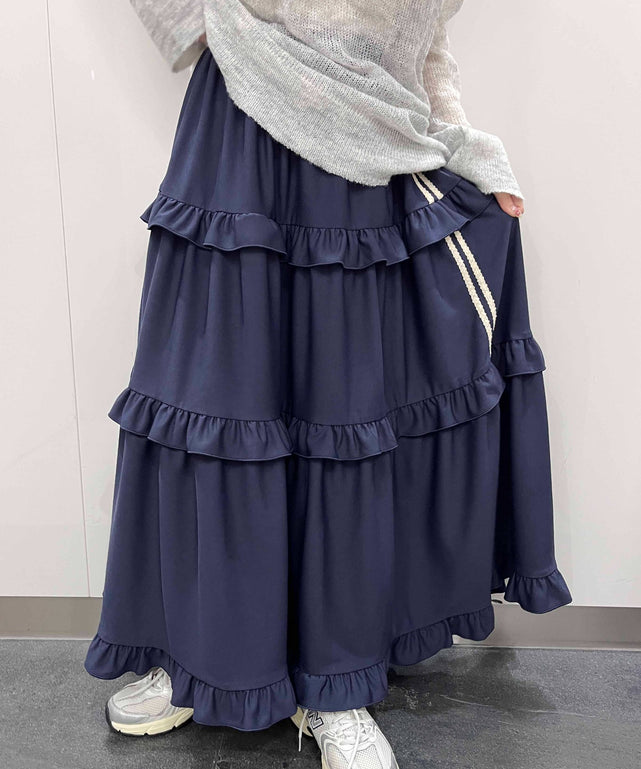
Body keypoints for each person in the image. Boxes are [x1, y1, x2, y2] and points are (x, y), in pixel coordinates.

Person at [84, 2, 572, 768]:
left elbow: (423, 43)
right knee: (212, 402)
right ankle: (200, 655)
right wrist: (234, 39)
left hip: (362, 160)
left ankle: (335, 682)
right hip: (238, 130)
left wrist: (464, 145)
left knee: (343, 422)